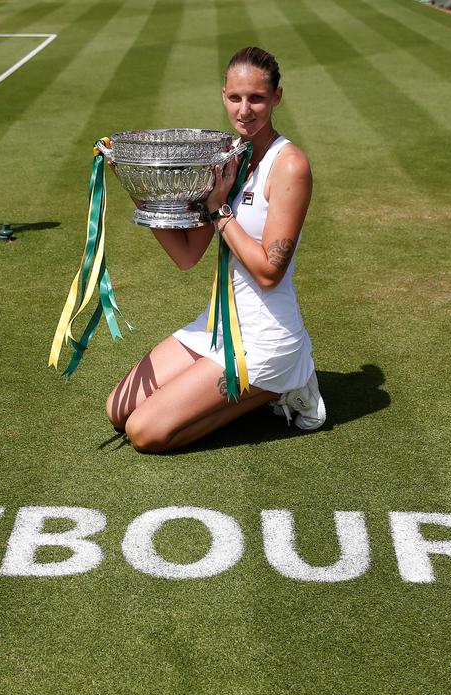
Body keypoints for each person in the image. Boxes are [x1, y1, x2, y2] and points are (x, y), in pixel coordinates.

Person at [105, 46, 325, 454]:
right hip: (218, 325)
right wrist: (138, 190)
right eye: (235, 98)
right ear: (224, 95)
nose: (245, 110)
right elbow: (187, 256)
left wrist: (218, 210)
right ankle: (262, 388)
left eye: (257, 98)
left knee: (145, 432)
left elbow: (268, 272)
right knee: (118, 409)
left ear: (277, 97)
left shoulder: (290, 165)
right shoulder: (225, 159)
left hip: (266, 337)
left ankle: (288, 381)